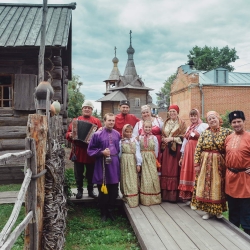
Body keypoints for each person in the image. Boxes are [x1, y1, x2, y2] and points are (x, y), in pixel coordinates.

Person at [191, 111, 232, 220]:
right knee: (205, 186)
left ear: (218, 118)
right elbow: (198, 149)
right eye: (209, 119)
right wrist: (196, 164)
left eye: (214, 118)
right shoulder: (204, 133)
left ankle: (218, 211)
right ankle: (207, 211)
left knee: (218, 186)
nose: (212, 120)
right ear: (207, 122)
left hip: (219, 164)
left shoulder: (227, 132)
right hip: (205, 164)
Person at [87, 113, 120, 221]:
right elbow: (90, 150)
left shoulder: (117, 134)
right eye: (109, 120)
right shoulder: (97, 134)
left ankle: (111, 211)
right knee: (103, 190)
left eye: (113, 120)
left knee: (114, 190)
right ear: (104, 121)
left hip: (114, 165)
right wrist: (101, 152)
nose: (111, 122)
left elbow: (118, 149)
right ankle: (103, 213)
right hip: (102, 165)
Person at [66, 100, 102, 199]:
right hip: (78, 151)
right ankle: (79, 191)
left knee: (91, 172)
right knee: (78, 172)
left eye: (89, 108)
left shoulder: (96, 121)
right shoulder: (76, 120)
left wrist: (97, 134)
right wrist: (69, 134)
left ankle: (90, 190)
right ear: (82, 109)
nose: (87, 109)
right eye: (85, 107)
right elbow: (68, 133)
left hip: (91, 151)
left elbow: (101, 135)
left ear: (92, 110)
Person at [225, 110, 250, 235]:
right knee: (233, 213)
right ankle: (232, 241)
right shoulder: (229, 138)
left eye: (239, 121)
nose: (236, 124)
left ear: (244, 122)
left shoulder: (249, 137)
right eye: (234, 122)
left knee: (246, 214)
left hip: (245, 180)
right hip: (231, 179)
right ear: (231, 124)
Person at [178, 109, 208, 204]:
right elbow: (185, 142)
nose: (193, 117)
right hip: (188, 153)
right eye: (191, 116)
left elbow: (206, 139)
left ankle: (197, 197)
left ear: (198, 116)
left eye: (195, 115)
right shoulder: (189, 128)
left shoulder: (203, 126)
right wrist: (182, 156)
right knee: (188, 173)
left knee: (196, 172)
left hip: (197, 151)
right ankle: (189, 196)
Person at [161, 104, 187, 202]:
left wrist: (172, 138)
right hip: (166, 150)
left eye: (174, 111)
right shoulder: (165, 122)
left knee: (174, 170)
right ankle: (166, 195)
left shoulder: (182, 123)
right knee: (166, 170)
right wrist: (164, 139)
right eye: (170, 111)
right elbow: (162, 134)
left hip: (176, 150)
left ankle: (174, 196)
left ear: (177, 113)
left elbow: (184, 137)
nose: (172, 113)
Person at [119, 124, 142, 208]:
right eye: (127, 131)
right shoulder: (121, 141)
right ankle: (126, 196)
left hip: (132, 160)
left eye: (130, 132)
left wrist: (138, 163)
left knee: (132, 178)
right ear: (123, 132)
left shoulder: (135, 141)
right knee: (125, 178)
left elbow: (138, 152)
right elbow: (120, 154)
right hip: (124, 161)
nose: (129, 133)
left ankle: (134, 199)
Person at [139, 120, 161, 206]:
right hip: (142, 157)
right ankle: (145, 198)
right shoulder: (140, 137)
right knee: (144, 177)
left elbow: (156, 149)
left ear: (151, 128)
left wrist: (153, 157)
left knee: (153, 176)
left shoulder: (154, 138)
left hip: (151, 158)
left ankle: (154, 198)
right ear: (143, 128)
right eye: (146, 127)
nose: (147, 129)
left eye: (149, 127)